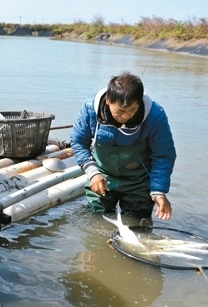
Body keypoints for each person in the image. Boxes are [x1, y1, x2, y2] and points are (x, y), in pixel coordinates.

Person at [70, 71, 176, 220]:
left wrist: (159, 191)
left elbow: (163, 155)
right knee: (98, 220)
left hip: (139, 182)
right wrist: (93, 173)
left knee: (138, 224)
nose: (126, 116)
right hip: (103, 176)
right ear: (108, 100)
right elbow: (78, 141)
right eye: (120, 111)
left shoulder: (155, 115)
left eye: (132, 110)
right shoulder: (90, 108)